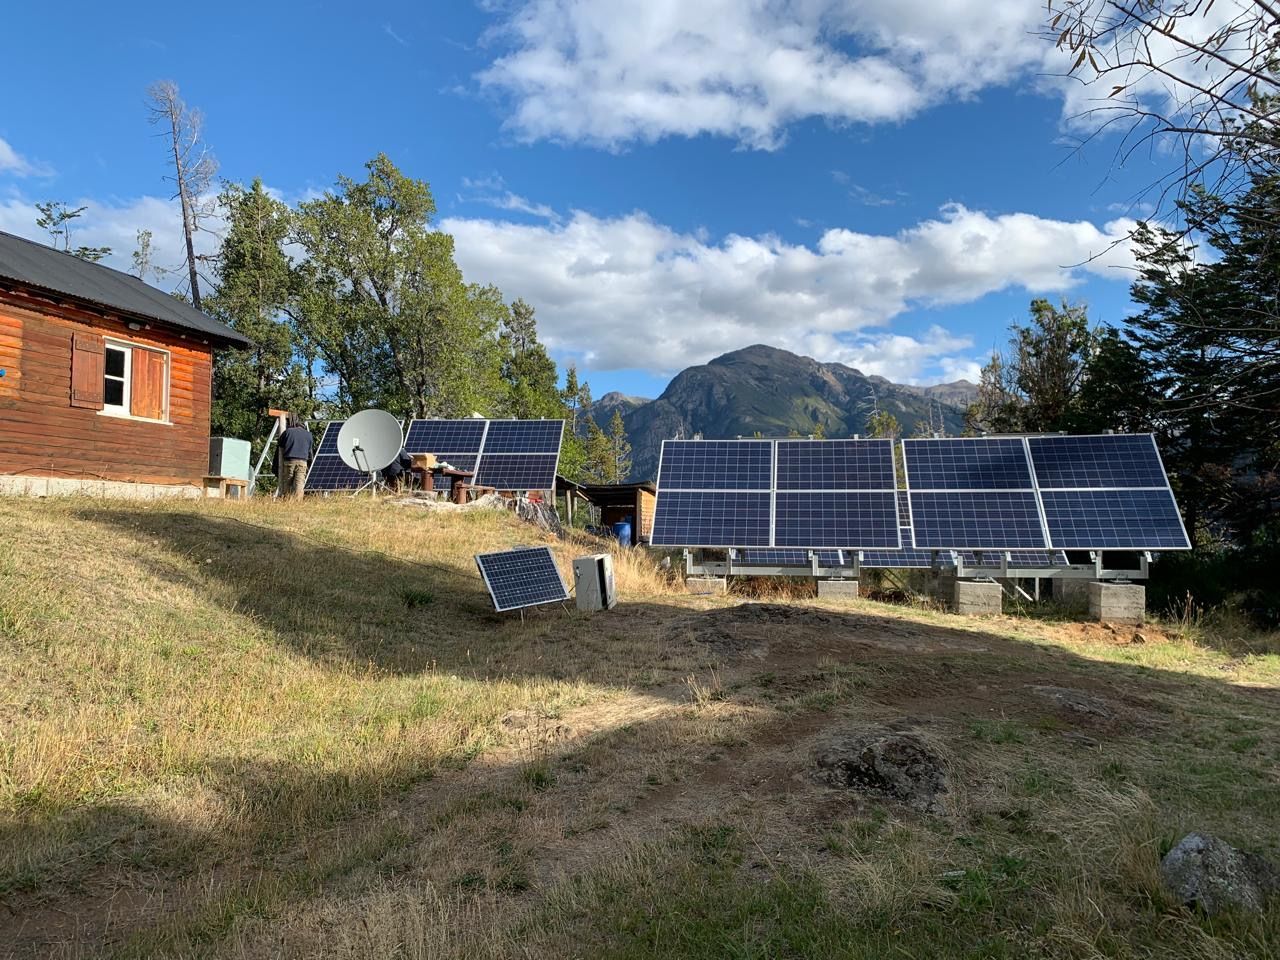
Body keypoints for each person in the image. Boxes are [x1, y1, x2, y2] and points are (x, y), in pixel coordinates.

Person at [277, 416, 313, 500]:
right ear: (303, 426)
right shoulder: (309, 434)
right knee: (299, 483)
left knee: (287, 482)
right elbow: (309, 449)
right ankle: (298, 502)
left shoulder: (288, 431)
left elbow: (280, 445)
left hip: (290, 461)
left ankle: (286, 500)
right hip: (303, 461)